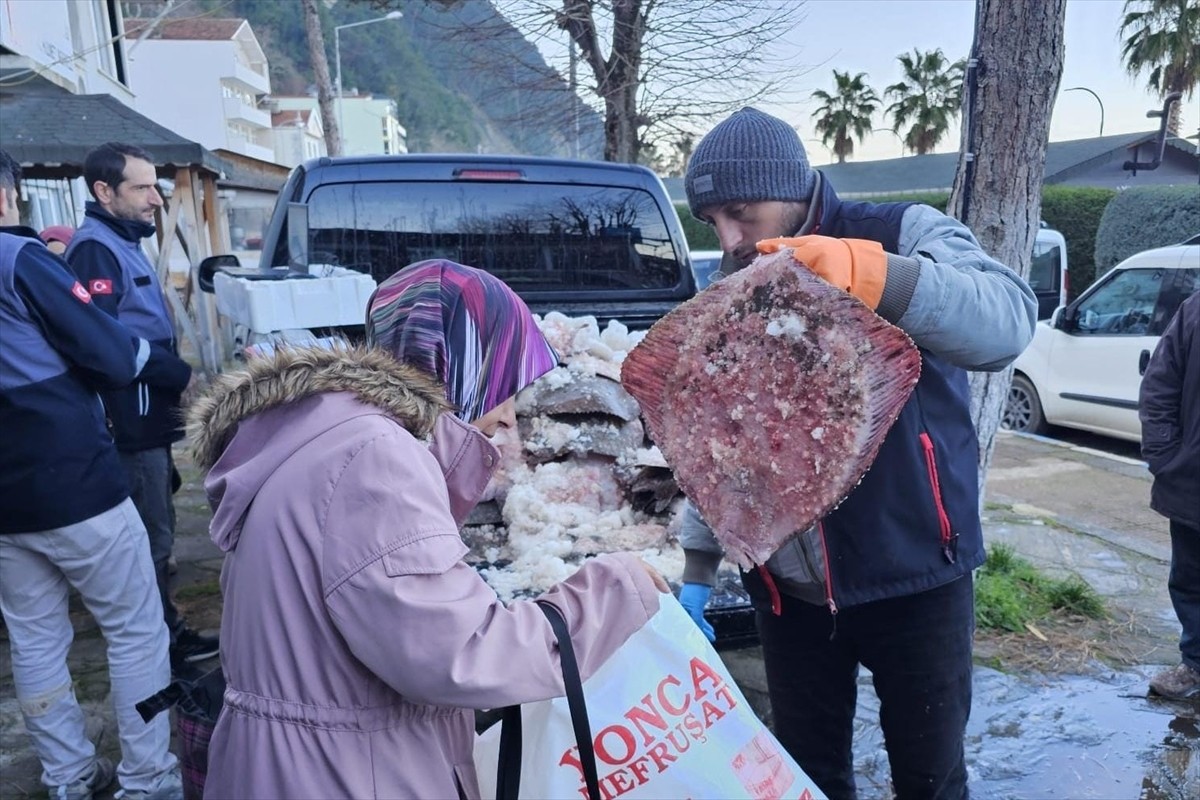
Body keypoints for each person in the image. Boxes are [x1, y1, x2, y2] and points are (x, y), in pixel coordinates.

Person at [189, 259, 667, 799]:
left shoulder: (322, 432)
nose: (508, 416)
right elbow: (461, 656)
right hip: (340, 774)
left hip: (296, 763)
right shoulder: (374, 458)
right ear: (457, 364)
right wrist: (614, 589)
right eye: (503, 382)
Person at [677, 108, 1037, 799]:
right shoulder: (726, 285)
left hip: (915, 575)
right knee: (808, 776)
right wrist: (699, 562)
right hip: (788, 593)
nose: (726, 238)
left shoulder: (900, 233)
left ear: (788, 188)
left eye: (740, 213)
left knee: (929, 780)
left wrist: (875, 276)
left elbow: (1007, 320)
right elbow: (715, 438)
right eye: (711, 220)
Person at [0, 149, 184, 799]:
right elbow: (106, 349)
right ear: (7, 195)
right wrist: (166, 370)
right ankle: (149, 778)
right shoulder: (19, 259)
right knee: (137, 629)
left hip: (6, 504)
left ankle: (70, 778)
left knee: (36, 639)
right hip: (74, 482)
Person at [64, 142, 217, 672]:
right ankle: (158, 649)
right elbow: (102, 342)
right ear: (104, 192)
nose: (156, 198)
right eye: (142, 187)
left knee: (161, 522)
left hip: (148, 419)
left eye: (157, 185)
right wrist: (177, 373)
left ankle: (162, 631)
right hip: (127, 423)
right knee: (151, 537)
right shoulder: (95, 249)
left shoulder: (122, 240)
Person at [1141, 291, 1200, 700]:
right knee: (1190, 579)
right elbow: (1160, 383)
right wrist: (1165, 456)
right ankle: (1195, 665)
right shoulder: (1196, 310)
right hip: (1194, 481)